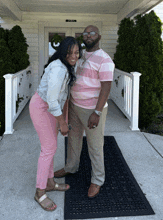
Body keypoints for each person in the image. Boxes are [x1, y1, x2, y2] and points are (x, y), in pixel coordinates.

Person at [54, 25, 115, 198]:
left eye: (92, 33)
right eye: (85, 33)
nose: (88, 36)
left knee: (95, 146)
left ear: (99, 36)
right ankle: (71, 168)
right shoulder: (79, 55)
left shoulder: (105, 60)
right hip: (74, 105)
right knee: (73, 139)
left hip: (92, 110)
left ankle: (97, 180)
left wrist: (97, 112)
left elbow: (106, 87)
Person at [29, 36, 82, 212]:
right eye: (70, 52)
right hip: (42, 107)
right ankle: (39, 191)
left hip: (53, 109)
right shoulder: (59, 69)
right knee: (49, 148)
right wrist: (62, 122)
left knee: (51, 147)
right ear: (63, 52)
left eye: (77, 52)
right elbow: (52, 100)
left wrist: (63, 121)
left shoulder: (67, 67)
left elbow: (64, 97)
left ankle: (50, 182)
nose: (74, 56)